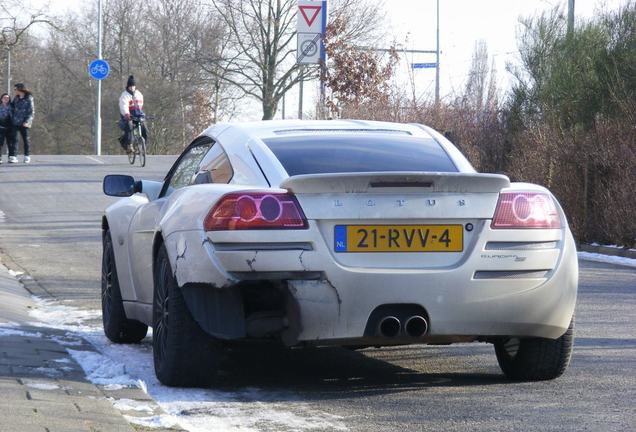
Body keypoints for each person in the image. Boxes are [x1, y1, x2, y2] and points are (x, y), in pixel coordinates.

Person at [118, 75, 146, 153]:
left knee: (144, 127)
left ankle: (144, 144)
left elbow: (140, 105)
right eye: (130, 86)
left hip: (137, 114)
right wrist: (126, 114)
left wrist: (141, 115)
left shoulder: (139, 94)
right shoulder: (125, 95)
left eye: (133, 86)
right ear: (128, 87)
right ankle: (129, 145)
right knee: (129, 126)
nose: (132, 88)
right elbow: (123, 106)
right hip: (128, 115)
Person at [12, 83, 34, 164]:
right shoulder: (16, 98)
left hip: (24, 122)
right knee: (14, 139)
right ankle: (14, 156)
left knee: (26, 139)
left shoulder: (29, 98)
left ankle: (27, 156)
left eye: (15, 89)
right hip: (15, 121)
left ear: (20, 89)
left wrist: (27, 121)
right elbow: (12, 107)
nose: (15, 91)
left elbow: (31, 111)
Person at [0, 93, 15, 164]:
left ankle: (11, 157)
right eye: (4, 98)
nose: (6, 99)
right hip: (1, 127)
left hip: (10, 127)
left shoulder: (12, 107)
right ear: (1, 99)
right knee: (0, 143)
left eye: (7, 98)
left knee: (11, 143)